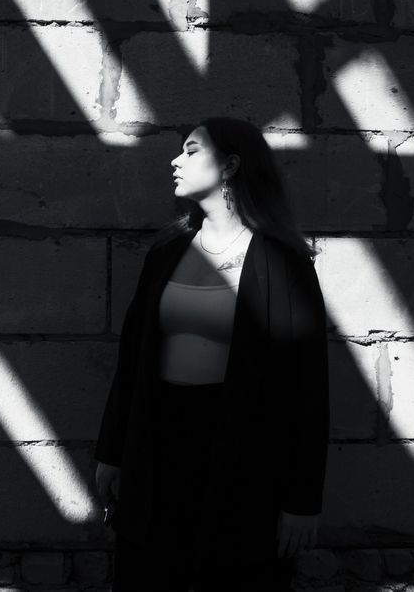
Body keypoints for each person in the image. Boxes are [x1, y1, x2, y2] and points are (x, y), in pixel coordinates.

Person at [93, 117, 330, 591]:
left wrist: (302, 501)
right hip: (158, 446)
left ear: (230, 165)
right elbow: (133, 360)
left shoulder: (283, 263)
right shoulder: (167, 251)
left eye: (190, 150)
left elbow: (308, 388)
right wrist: (113, 452)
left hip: (243, 453)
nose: (174, 161)